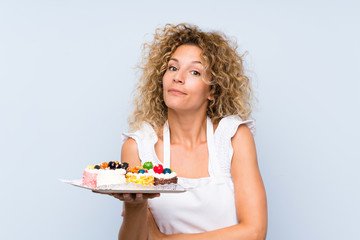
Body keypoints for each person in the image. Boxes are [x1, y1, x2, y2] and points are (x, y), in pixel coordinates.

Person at [110, 23, 266, 240]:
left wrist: (165, 239)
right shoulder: (138, 147)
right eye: (173, 68)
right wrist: (134, 205)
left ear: (212, 90)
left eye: (194, 71)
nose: (178, 77)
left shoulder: (234, 138)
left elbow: (255, 232)